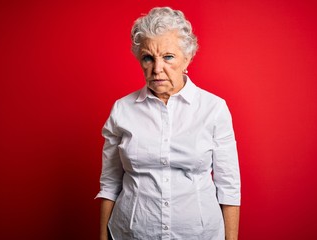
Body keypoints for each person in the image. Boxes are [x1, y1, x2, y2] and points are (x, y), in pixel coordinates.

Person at [96, 6, 241, 240]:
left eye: (168, 57)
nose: (157, 69)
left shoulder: (214, 109)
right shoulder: (122, 110)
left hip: (200, 234)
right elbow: (110, 183)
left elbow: (229, 187)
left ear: (188, 57)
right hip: (131, 234)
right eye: (148, 58)